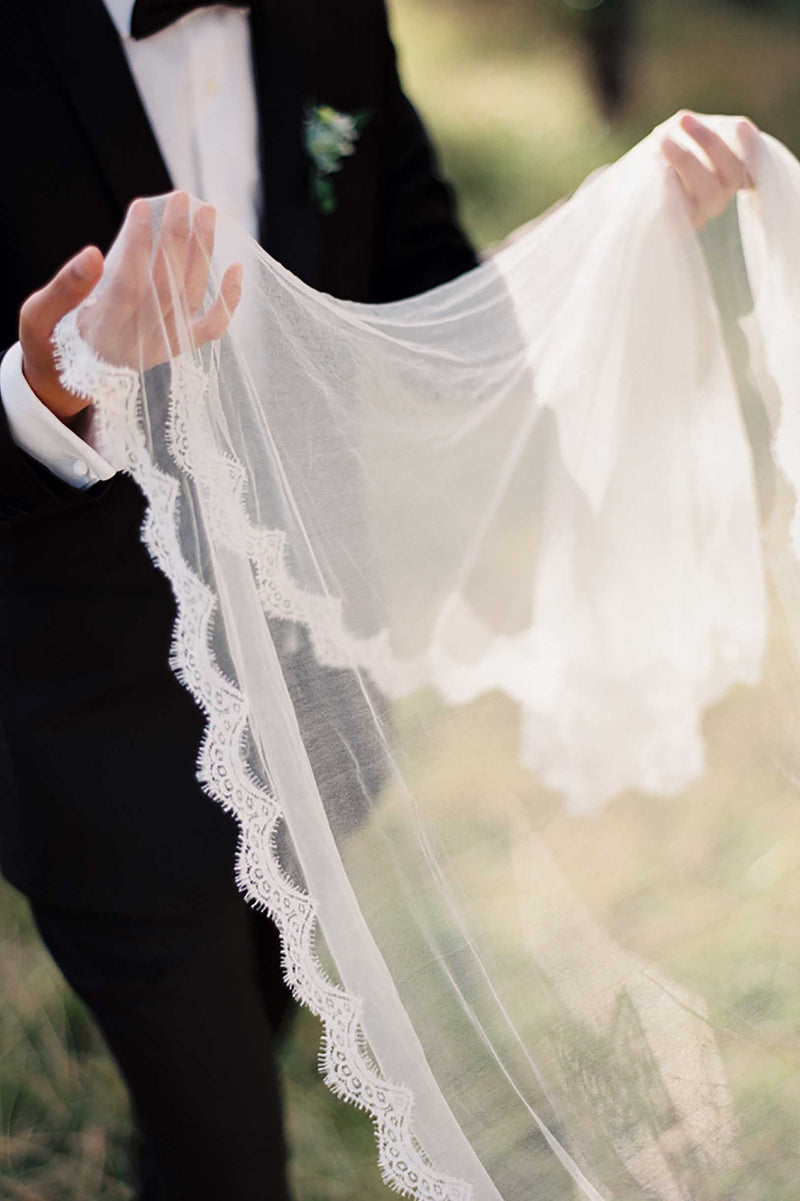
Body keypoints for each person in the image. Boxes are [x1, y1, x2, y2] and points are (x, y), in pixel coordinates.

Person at [0, 0, 754, 1196]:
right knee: (225, 1160)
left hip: (316, 701)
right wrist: (57, 373)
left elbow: (427, 307)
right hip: (96, 734)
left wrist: (605, 223)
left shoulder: (335, 14)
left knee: (254, 1029)